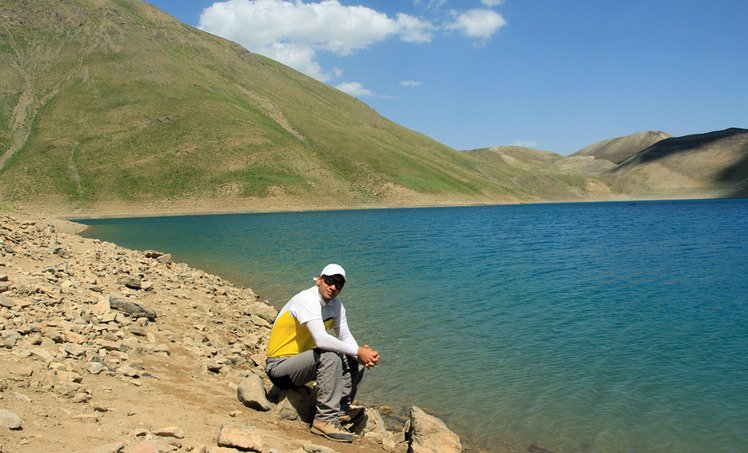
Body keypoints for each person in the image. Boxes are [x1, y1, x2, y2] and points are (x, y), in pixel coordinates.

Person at [265, 264, 380, 443]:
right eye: (329, 281)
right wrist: (359, 351)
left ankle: (340, 411)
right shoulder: (307, 300)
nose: (333, 287)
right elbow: (321, 340)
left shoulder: (336, 305)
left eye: (338, 285)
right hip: (279, 367)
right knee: (330, 354)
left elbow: (345, 336)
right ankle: (324, 420)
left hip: (303, 365)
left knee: (355, 359)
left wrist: (363, 355)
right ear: (319, 279)